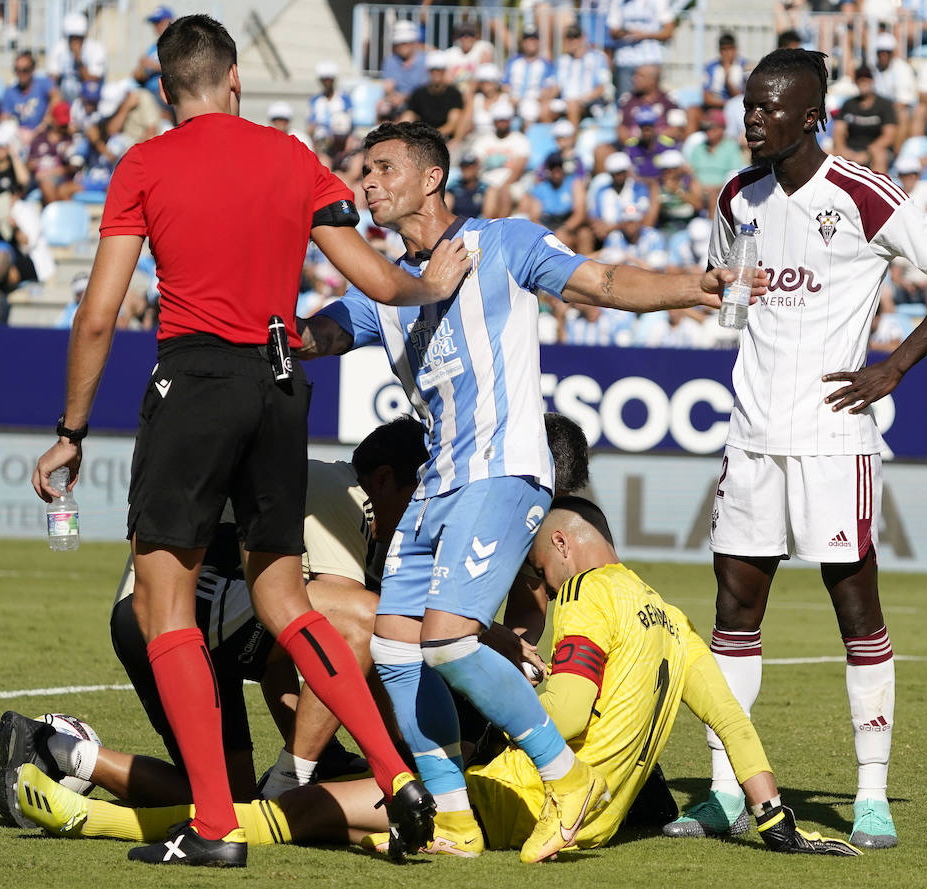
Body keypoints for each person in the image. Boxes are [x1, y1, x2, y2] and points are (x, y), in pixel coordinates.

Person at [28, 16, 470, 868]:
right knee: (286, 600)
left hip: (194, 381)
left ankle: (217, 827)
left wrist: (70, 431)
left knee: (165, 604)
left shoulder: (146, 164)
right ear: (235, 80)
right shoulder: (292, 156)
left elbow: (97, 315)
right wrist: (426, 282)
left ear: (167, 90)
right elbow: (374, 279)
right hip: (279, 385)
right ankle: (394, 772)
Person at [293, 120, 734, 863]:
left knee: (448, 639)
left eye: (382, 168)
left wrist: (695, 285)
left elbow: (605, 281)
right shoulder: (385, 288)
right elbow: (319, 335)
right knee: (398, 651)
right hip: (437, 484)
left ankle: (569, 777)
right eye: (361, 171)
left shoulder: (506, 242)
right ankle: (457, 817)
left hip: (503, 470)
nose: (367, 183)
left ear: (431, 178)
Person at [12, 497, 862, 861]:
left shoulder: (590, 604)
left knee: (296, 808)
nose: (542, 582)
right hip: (591, 827)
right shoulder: (672, 620)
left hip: (516, 804)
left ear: (564, 546)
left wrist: (503, 675)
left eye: (539, 565)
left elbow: (564, 711)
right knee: (335, 821)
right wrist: (773, 815)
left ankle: (86, 810)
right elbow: (734, 724)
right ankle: (87, 767)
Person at [678, 47, 927, 851]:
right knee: (733, 614)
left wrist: (894, 366)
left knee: (857, 610)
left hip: (831, 437)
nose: (752, 118)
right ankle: (720, 789)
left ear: (812, 115)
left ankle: (872, 794)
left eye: (769, 107)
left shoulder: (860, 193)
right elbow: (736, 303)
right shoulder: (736, 196)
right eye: (747, 104)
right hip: (750, 436)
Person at [0, 418, 431, 827]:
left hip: (158, 618)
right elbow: (344, 637)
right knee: (370, 616)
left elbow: (278, 658)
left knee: (227, 797)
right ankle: (290, 788)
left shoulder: (329, 491)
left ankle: (61, 751)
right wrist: (408, 754)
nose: (422, 517)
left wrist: (324, 752)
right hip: (183, 615)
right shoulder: (350, 493)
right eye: (420, 497)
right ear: (383, 479)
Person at [832, 67, 896, 173]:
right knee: (828, 154)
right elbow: (838, 132)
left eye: (867, 78)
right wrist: (844, 151)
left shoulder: (885, 105)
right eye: (860, 79)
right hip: (851, 149)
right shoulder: (848, 104)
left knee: (879, 155)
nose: (863, 82)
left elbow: (889, 136)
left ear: (872, 81)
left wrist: (867, 153)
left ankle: (877, 188)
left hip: (874, 149)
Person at [403, 52, 464, 139]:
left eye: (439, 70)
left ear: (444, 71)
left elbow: (452, 125)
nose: (436, 73)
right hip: (423, 138)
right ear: (428, 71)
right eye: (433, 70)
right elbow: (408, 116)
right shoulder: (419, 93)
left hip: (445, 139)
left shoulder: (454, 94)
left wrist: (431, 136)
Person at [1, 50, 57, 138]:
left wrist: (45, 123)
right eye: (17, 70)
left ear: (33, 70)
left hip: (43, 133)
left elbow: (56, 98)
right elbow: (4, 118)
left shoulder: (43, 83)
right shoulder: (9, 92)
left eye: (25, 70)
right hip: (19, 136)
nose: (21, 74)